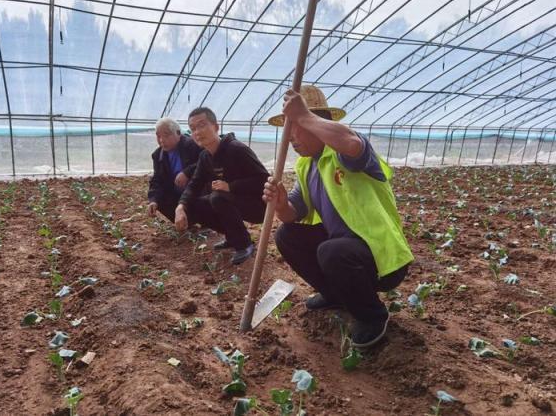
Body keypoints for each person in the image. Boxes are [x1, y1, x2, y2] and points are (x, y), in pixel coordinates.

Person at [262, 85, 414, 348]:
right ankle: (335, 294)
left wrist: (303, 115)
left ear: (316, 121)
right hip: (346, 252)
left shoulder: (344, 152)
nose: (290, 138)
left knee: (333, 251)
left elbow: (352, 144)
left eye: (294, 127)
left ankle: (372, 317)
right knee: (287, 236)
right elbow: (292, 215)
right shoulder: (307, 165)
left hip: (383, 259)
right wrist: (280, 203)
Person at [175, 107, 269, 265]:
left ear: (216, 127)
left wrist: (231, 186)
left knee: (218, 197)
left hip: (257, 206)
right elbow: (195, 184)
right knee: (194, 204)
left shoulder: (237, 149)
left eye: (202, 125)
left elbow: (263, 179)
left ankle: (244, 244)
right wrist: (180, 206)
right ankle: (233, 237)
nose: (197, 132)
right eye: (192, 129)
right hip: (232, 201)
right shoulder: (205, 156)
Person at [147, 117, 202, 222]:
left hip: (196, 192)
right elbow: (157, 179)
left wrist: (187, 172)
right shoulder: (158, 155)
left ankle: (202, 219)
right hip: (176, 195)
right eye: (158, 136)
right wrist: (153, 200)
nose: (162, 140)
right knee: (159, 199)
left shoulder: (192, 145)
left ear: (178, 133)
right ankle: (185, 221)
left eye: (166, 135)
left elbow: (205, 163)